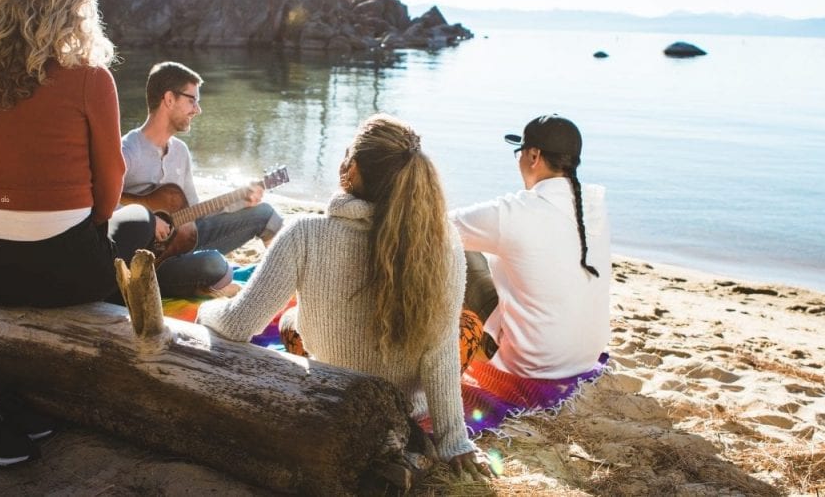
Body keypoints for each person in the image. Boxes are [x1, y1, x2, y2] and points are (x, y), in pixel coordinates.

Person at [0, 0, 158, 466]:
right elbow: (110, 185)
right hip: (72, 276)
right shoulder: (89, 80)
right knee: (139, 219)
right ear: (73, 11)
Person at [196, 114, 492, 480]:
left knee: (290, 320)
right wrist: (454, 441)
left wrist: (208, 311)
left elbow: (238, 326)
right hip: (403, 408)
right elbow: (440, 351)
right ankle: (403, 449)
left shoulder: (304, 234)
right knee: (458, 326)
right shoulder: (443, 244)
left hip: (334, 394)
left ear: (350, 168)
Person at [450, 114, 612, 380]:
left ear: (534, 156)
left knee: (458, 247)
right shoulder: (595, 206)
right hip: (584, 357)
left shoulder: (513, 213)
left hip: (526, 364)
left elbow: (435, 226)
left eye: (520, 152)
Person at [120, 61, 282, 298]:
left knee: (265, 214)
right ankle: (203, 284)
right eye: (192, 100)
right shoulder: (127, 151)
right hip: (150, 265)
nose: (198, 109)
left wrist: (240, 199)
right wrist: (146, 220)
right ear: (169, 99)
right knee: (214, 264)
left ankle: (280, 287)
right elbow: (98, 206)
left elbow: (195, 212)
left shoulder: (180, 152)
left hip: (185, 241)